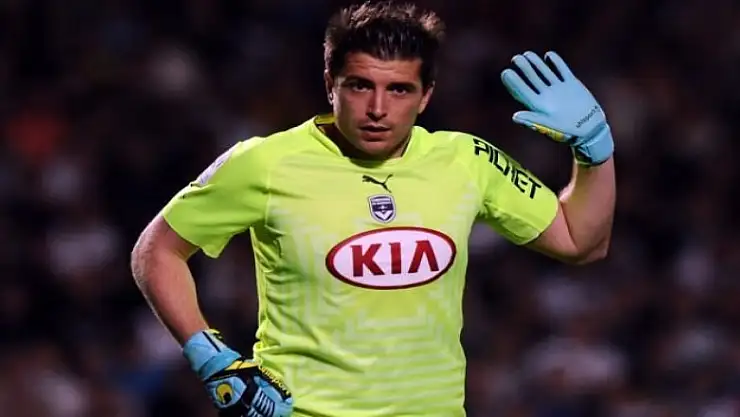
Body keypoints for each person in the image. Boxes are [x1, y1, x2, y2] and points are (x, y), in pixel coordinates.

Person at [130, 1, 616, 416]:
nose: (378, 108)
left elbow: (581, 241)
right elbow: (156, 252)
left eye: (399, 89)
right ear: (330, 83)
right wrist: (212, 359)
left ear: (426, 96)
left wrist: (594, 149)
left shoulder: (466, 161)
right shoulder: (265, 163)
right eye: (360, 85)